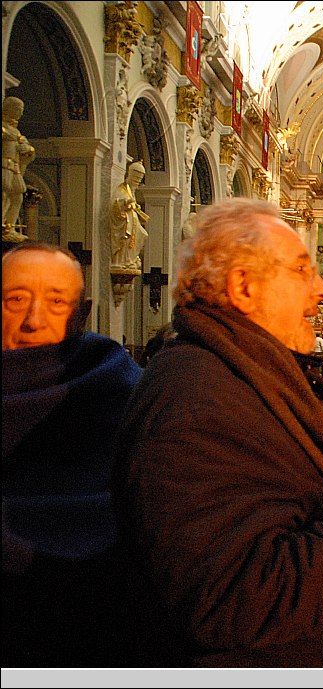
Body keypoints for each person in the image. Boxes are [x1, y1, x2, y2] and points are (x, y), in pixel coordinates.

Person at [113, 198, 323, 666]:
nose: (322, 289)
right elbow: (234, 596)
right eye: (303, 270)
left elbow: (286, 489)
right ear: (244, 288)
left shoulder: (247, 373)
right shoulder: (198, 399)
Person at [2, 243, 142, 666]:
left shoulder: (120, 390)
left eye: (56, 302)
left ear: (82, 314)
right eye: (16, 300)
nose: (33, 320)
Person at [2, 96, 35, 238]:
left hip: (14, 168)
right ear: (8, 109)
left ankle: (9, 226)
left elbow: (27, 149)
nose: (20, 113)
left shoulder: (16, 132)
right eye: (18, 109)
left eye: (21, 110)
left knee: (17, 197)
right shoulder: (4, 129)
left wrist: (28, 150)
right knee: (3, 195)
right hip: (4, 166)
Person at [110, 161, 150, 270]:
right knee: (127, 241)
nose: (137, 182)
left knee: (142, 235)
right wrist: (126, 203)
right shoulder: (122, 189)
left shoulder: (131, 191)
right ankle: (124, 261)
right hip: (125, 224)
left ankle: (130, 259)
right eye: (136, 178)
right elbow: (116, 205)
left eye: (139, 180)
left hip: (132, 224)